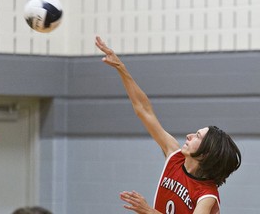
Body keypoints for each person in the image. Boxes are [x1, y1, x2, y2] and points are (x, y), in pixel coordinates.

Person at [95, 36, 241, 214]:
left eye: (197, 136)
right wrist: (121, 68)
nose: (189, 135)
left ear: (206, 153)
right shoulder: (174, 156)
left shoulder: (206, 195)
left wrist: (149, 211)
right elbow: (144, 110)